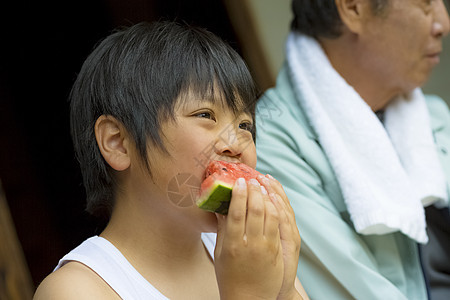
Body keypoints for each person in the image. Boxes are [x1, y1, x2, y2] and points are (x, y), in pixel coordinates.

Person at [33, 21, 308, 299]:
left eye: (245, 126)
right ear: (118, 143)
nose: (236, 145)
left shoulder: (252, 253)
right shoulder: (77, 290)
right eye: (205, 115)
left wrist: (284, 289)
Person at [255, 0, 450, 299]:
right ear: (353, 8)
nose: (443, 24)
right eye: (425, 4)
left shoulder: (434, 116)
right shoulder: (274, 144)